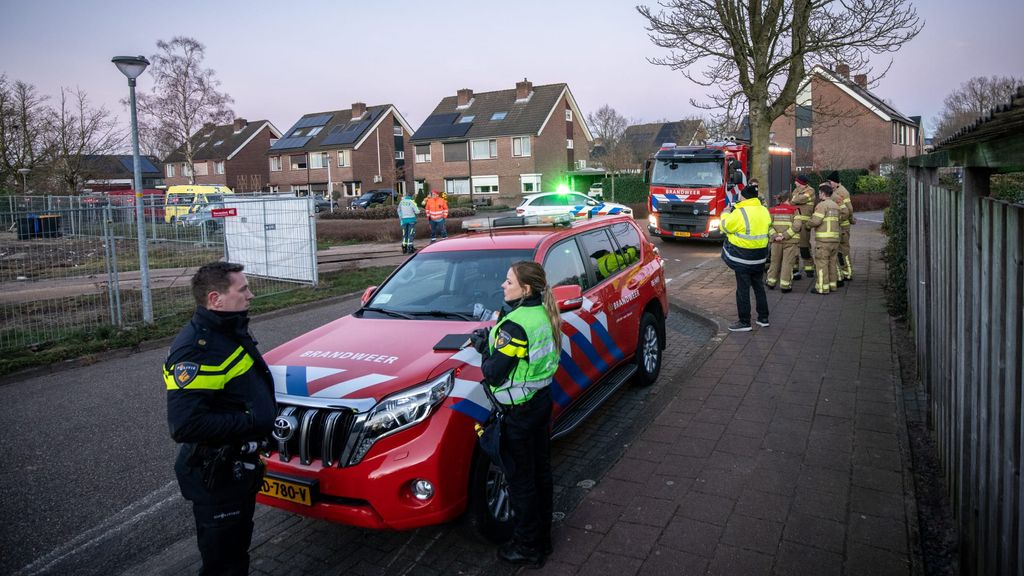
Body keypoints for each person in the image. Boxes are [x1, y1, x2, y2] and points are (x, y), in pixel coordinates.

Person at [163, 262, 276, 575]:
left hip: (235, 470)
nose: (250, 296)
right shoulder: (197, 350)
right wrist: (253, 421)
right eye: (243, 290)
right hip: (217, 475)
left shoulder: (227, 330)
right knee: (223, 565)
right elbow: (185, 424)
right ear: (216, 299)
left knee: (235, 552)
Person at [470, 261, 560, 568]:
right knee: (540, 474)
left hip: (519, 412)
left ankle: (528, 547)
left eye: (509, 282)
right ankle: (543, 539)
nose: (502, 285)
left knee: (521, 482)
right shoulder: (542, 313)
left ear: (526, 288)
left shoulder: (515, 326)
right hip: (540, 403)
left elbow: (493, 373)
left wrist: (484, 347)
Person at [719, 183, 772, 331]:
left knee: (743, 290)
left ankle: (744, 322)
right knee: (759, 286)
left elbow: (725, 226)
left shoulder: (739, 212)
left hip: (742, 257)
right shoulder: (764, 210)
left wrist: (725, 213)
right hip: (760, 256)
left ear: (744, 197)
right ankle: (763, 318)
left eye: (741, 195)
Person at [806, 183, 842, 294]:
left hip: (823, 241)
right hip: (835, 240)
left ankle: (822, 288)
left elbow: (816, 221)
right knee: (832, 263)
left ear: (823, 193)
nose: (819, 195)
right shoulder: (836, 206)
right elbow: (839, 220)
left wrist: (807, 225)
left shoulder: (822, 205)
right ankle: (832, 285)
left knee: (822, 264)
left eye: (819, 193)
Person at [766, 192, 802, 293]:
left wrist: (775, 236)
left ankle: (771, 282)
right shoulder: (794, 210)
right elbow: (797, 226)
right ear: (788, 199)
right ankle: (785, 286)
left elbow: (768, 226)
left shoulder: (772, 210)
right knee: (787, 263)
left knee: (774, 262)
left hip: (776, 242)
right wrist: (784, 235)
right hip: (790, 241)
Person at [827, 171, 856, 282]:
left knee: (844, 250)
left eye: (830, 182)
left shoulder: (842, 192)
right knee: (839, 250)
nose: (829, 184)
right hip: (840, 225)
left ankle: (848, 272)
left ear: (835, 182)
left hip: (843, 225)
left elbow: (849, 209)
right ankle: (843, 271)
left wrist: (850, 219)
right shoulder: (836, 190)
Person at [791, 175, 816, 278]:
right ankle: (795, 269)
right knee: (794, 246)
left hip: (805, 224)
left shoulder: (810, 190)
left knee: (804, 246)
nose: (795, 183)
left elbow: (800, 199)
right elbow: (793, 200)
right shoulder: (796, 190)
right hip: (795, 223)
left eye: (796, 181)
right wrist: (795, 199)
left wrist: (795, 199)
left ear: (801, 182)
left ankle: (809, 269)